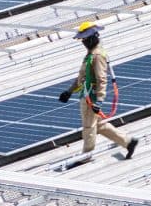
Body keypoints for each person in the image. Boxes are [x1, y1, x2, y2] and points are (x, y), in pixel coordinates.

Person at [58, 22, 139, 159]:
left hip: (91, 99)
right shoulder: (91, 54)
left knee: (89, 128)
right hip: (87, 95)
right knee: (100, 125)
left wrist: (99, 101)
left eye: (84, 39)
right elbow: (82, 77)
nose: (83, 42)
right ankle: (128, 142)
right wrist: (69, 91)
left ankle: (86, 156)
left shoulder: (97, 56)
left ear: (92, 38)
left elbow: (102, 79)